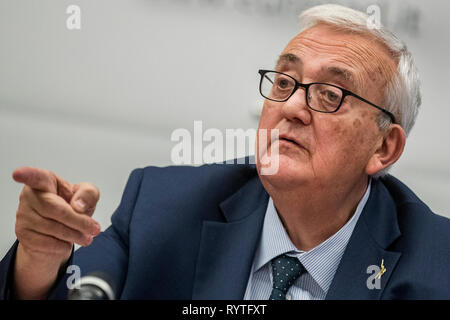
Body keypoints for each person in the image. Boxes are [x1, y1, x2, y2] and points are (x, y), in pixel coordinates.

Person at [1, 4, 449, 300]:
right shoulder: (161, 207)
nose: (291, 107)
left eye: (330, 94)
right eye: (285, 83)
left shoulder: (436, 265)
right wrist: (41, 259)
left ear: (384, 148)